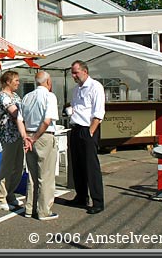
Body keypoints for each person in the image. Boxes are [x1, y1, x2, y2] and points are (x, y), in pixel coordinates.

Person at [18, 71, 59, 220]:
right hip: (43, 136)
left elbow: (19, 119)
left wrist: (26, 137)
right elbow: (47, 121)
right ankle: (44, 210)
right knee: (45, 175)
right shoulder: (49, 96)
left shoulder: (27, 97)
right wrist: (34, 138)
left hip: (29, 135)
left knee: (33, 175)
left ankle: (29, 208)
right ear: (48, 81)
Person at [67, 60, 106, 215]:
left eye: (76, 72)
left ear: (85, 71)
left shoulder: (95, 86)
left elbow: (98, 111)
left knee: (91, 166)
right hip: (76, 128)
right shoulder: (76, 89)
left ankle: (98, 201)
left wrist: (91, 131)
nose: (73, 75)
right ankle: (81, 196)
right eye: (72, 73)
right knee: (77, 165)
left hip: (87, 129)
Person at [0, 70, 31, 211]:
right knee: (7, 167)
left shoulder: (15, 96)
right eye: (16, 81)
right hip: (9, 136)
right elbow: (16, 113)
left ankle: (9, 192)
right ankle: (0, 197)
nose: (18, 83)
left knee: (18, 167)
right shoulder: (3, 96)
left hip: (18, 135)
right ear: (8, 82)